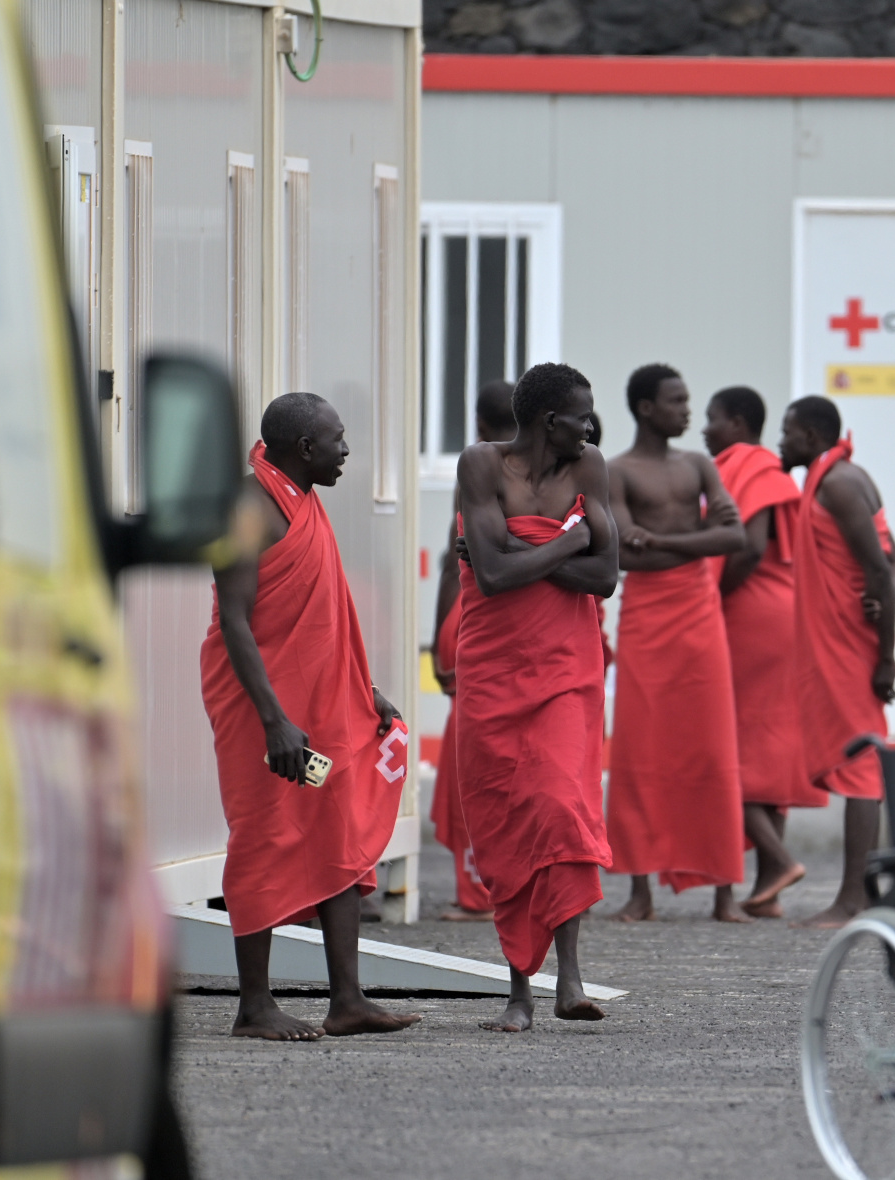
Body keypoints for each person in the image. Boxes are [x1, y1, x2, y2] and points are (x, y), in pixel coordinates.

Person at [201, 392, 420, 1040]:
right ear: (305, 449)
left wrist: (366, 689)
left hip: (322, 708)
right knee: (266, 833)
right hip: (263, 710)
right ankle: (253, 1006)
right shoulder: (246, 507)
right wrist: (273, 720)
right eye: (338, 439)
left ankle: (347, 1000)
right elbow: (235, 619)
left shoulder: (301, 498)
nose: (347, 450)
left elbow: (323, 614)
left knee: (335, 824)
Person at [456, 362, 618, 1031]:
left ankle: (570, 979)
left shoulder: (591, 468)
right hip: (495, 668)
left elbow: (606, 577)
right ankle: (518, 990)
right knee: (508, 820)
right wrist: (573, 540)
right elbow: (492, 576)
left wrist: (544, 553)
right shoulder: (481, 465)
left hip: (566, 669)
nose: (592, 424)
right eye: (583, 414)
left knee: (561, 807)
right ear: (552, 421)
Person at [605, 363, 749, 922]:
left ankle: (725, 890)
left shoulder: (698, 464)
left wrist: (663, 540)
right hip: (645, 617)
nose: (688, 410)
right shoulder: (615, 471)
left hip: (698, 615)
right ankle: (639, 890)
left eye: (688, 400)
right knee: (640, 751)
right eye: (677, 401)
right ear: (646, 407)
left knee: (712, 748)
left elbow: (733, 535)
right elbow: (622, 551)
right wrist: (694, 541)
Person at [779, 396, 895, 928]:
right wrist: (886, 594)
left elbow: (885, 569)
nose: (781, 442)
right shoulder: (834, 478)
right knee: (856, 759)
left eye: (788, 433)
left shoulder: (839, 484)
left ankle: (854, 899)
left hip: (852, 648)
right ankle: (863, 895)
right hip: (839, 641)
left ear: (812, 436)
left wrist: (886, 658)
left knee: (860, 765)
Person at [702, 386, 825, 919]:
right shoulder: (768, 472)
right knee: (768, 753)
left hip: (750, 614)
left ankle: (772, 865)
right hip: (785, 615)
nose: (704, 429)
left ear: (736, 421)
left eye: (711, 419)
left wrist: (712, 596)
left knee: (732, 749)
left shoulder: (752, 471)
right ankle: (763, 892)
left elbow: (749, 546)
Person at [429, 380, 518, 921]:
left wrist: (441, 632)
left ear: (480, 424)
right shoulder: (549, 471)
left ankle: (478, 890)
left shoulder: (477, 469)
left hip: (472, 622)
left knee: (473, 759)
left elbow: (450, 560)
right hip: (524, 627)